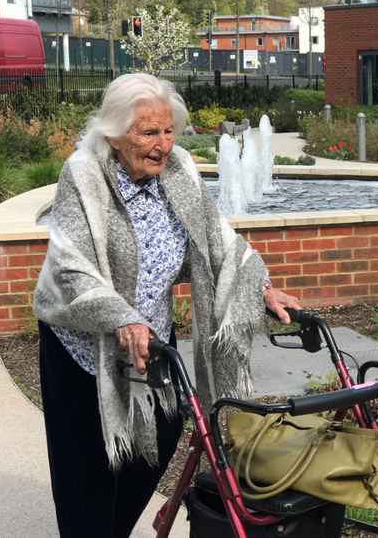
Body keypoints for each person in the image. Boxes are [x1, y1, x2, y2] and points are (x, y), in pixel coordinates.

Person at [33, 72, 300, 537]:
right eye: (148, 132)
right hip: (82, 346)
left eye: (168, 130)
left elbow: (217, 237)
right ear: (115, 134)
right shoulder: (83, 175)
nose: (162, 144)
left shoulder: (178, 170)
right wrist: (122, 318)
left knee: (162, 433)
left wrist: (261, 287)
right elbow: (71, 267)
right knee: (88, 470)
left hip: (150, 336)